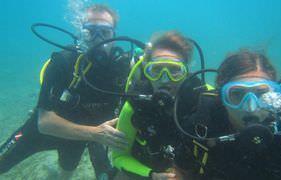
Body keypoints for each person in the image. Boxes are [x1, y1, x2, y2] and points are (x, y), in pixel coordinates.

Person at [0, 4, 131, 180]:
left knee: (67, 171)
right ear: (81, 34)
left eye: (105, 32)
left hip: (82, 136)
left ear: (114, 36)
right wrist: (94, 133)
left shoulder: (124, 67)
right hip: (46, 130)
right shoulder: (63, 63)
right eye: (90, 32)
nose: (98, 38)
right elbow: (44, 122)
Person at [175, 50, 281, 180]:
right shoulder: (199, 129)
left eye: (261, 94)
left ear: (275, 95)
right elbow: (182, 172)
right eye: (237, 94)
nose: (250, 107)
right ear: (222, 97)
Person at [110, 31, 202, 180]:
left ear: (185, 72)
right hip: (148, 168)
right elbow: (118, 157)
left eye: (174, 70)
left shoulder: (203, 99)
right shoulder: (135, 104)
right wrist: (152, 175)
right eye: (156, 70)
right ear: (147, 70)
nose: (165, 79)